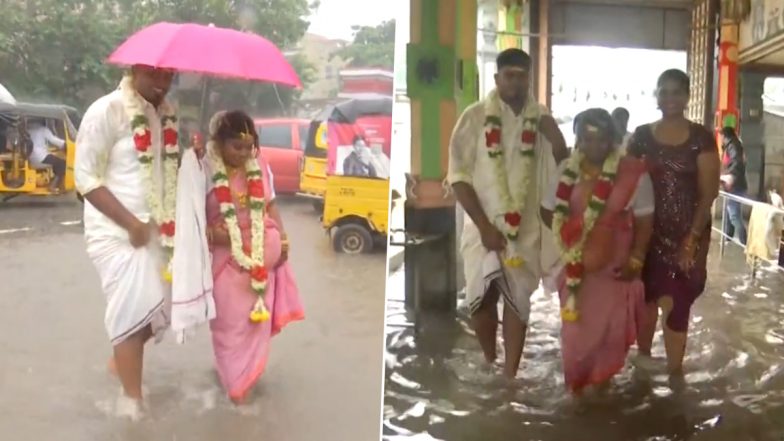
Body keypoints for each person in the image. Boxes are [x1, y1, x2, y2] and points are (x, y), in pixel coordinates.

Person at [447, 48, 569, 380]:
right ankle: (489, 359)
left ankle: (510, 378)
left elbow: (563, 169)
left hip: (526, 229)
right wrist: (485, 227)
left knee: (519, 304)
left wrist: (555, 136)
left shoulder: (540, 118)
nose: (516, 81)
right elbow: (458, 178)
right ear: (497, 78)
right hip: (481, 228)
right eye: (509, 75)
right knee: (481, 303)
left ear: (530, 78)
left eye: (522, 75)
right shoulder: (474, 117)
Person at [74, 64, 179, 418]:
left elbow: (165, 172)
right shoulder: (107, 110)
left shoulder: (167, 114)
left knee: (165, 308)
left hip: (156, 233)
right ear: (134, 69)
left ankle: (121, 361)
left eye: (170, 76)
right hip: (116, 234)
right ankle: (132, 407)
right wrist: (130, 223)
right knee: (131, 316)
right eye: (156, 75)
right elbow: (85, 178)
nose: (163, 84)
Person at [541, 108, 654, 396]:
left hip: (616, 269)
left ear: (613, 140)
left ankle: (602, 390)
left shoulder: (632, 172)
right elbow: (547, 210)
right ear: (577, 140)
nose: (595, 146)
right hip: (578, 268)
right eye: (587, 139)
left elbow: (645, 219)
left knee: (609, 336)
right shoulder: (567, 170)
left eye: (601, 139)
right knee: (575, 335)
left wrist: (636, 258)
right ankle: (577, 392)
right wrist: (569, 235)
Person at [203, 110, 304, 404]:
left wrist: (282, 241)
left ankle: (244, 383)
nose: (245, 153)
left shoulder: (258, 164)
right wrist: (214, 235)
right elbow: (192, 216)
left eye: (250, 146)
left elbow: (269, 206)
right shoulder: (204, 167)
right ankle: (236, 390)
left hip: (261, 259)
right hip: (225, 261)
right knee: (228, 328)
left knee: (254, 326)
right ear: (219, 143)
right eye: (237, 146)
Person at [627, 69, 720, 377]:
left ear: (687, 96)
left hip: (687, 232)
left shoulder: (701, 138)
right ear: (656, 95)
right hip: (646, 233)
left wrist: (691, 239)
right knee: (645, 297)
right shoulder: (640, 136)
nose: (670, 98)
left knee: (677, 301)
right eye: (663, 92)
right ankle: (642, 362)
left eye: (676, 92)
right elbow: (625, 183)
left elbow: (709, 194)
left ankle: (675, 373)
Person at [720, 126, 748, 245]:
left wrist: (730, 176)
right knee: (728, 212)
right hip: (732, 184)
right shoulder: (731, 145)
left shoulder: (733, 146)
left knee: (734, 215)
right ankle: (727, 237)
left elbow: (737, 163)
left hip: (735, 185)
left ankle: (745, 242)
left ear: (725, 136)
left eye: (721, 137)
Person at [27, 119, 67, 191]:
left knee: (55, 160)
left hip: (30, 159)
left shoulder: (27, 130)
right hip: (41, 157)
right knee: (62, 163)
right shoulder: (43, 129)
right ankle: (52, 186)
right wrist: (65, 144)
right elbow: (54, 140)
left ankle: (52, 182)